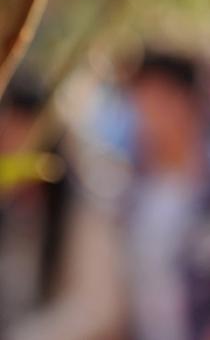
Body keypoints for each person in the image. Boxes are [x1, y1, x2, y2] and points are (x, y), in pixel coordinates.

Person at [124, 51, 210, 340]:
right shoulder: (130, 191)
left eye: (157, 102)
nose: (146, 116)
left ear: (186, 101)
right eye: (139, 102)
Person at [0, 73, 126, 340]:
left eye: (19, 129)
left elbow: (97, 308)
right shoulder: (10, 206)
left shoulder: (84, 205)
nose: (9, 142)